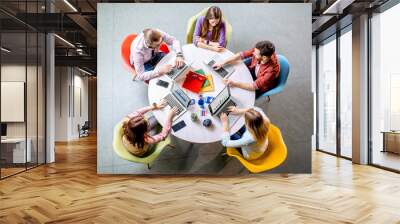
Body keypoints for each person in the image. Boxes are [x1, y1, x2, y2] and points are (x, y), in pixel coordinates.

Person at [213, 41, 280, 98]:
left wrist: (235, 84)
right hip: (255, 70)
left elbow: (253, 86)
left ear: (264, 58)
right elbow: (241, 55)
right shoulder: (261, 50)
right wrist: (222, 62)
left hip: (261, 86)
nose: (253, 53)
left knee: (238, 95)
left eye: (256, 54)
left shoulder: (271, 71)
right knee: (235, 73)